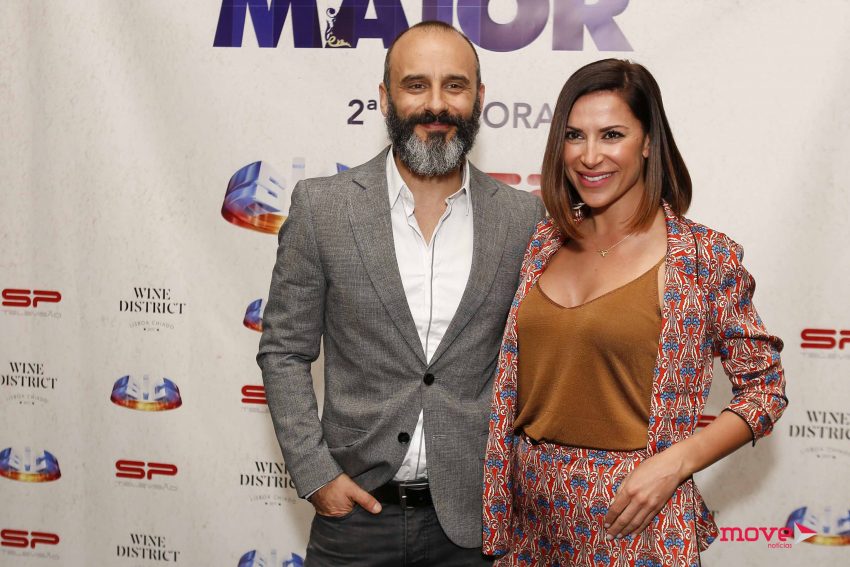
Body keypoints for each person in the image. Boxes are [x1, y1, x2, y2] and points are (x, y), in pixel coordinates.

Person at [257, 21, 545, 566]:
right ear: (386, 98)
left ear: (479, 98)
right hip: (355, 520)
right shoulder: (323, 208)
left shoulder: (523, 218)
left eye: (454, 85)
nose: (436, 104)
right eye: (416, 85)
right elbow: (284, 351)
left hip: (474, 525)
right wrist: (316, 475)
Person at [482, 59, 788, 566]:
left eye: (612, 135)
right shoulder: (544, 242)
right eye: (575, 136)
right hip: (531, 524)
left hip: (632, 520)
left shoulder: (701, 257)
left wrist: (676, 463)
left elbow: (766, 389)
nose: (589, 155)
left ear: (647, 142)